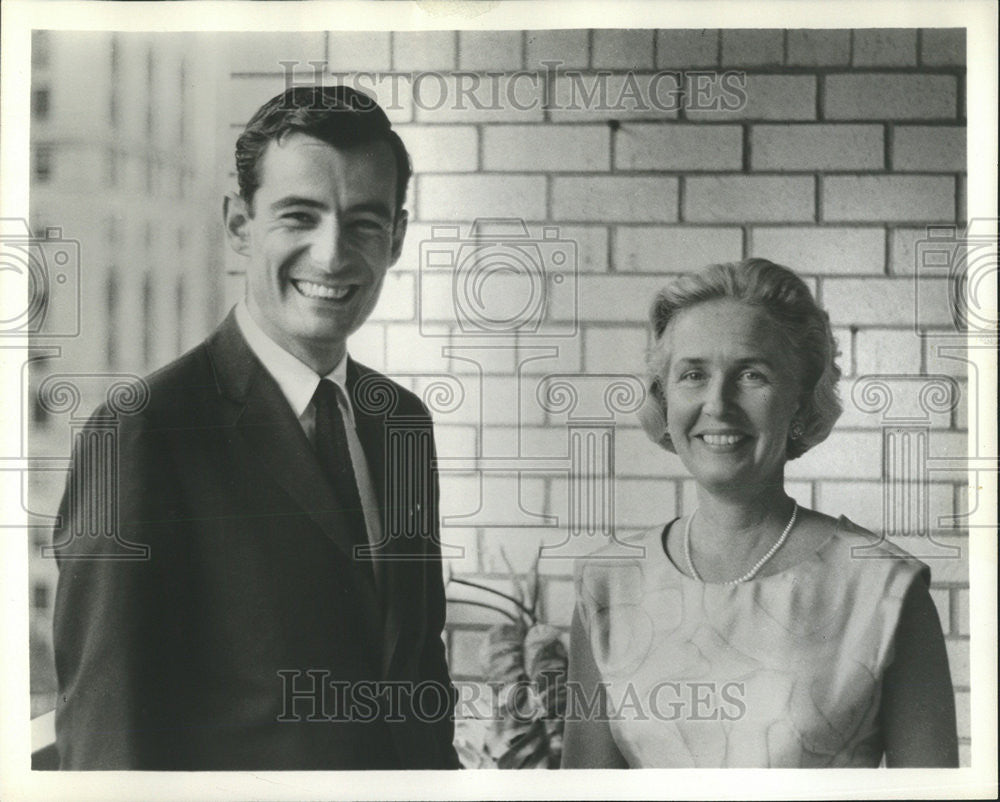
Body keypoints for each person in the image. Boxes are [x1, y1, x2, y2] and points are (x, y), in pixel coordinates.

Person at [52, 86, 460, 770]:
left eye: (364, 222)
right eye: (299, 216)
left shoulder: (403, 425)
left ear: (396, 238)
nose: (332, 256)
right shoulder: (142, 436)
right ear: (240, 225)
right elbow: (106, 743)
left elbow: (417, 673)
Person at [561, 258, 958, 768]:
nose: (718, 404)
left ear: (799, 397)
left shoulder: (884, 588)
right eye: (693, 375)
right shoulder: (609, 585)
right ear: (664, 396)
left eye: (752, 374)